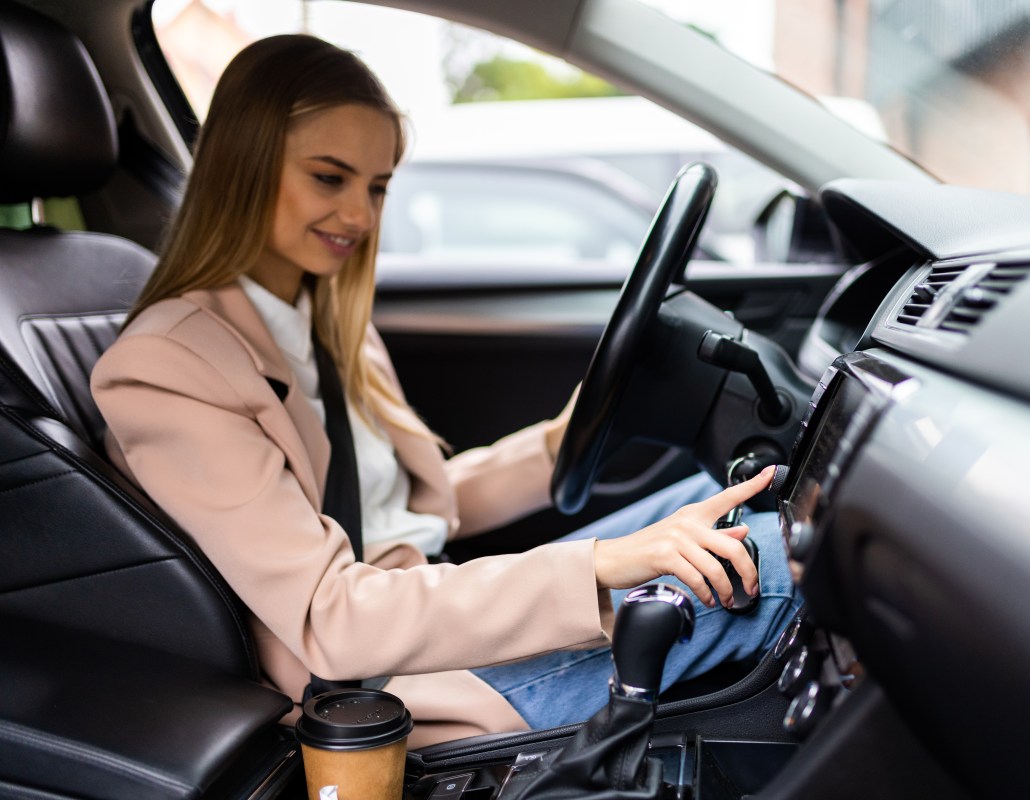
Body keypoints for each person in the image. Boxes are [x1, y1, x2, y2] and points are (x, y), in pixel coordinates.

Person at [91, 34, 798, 748]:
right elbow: (332, 616)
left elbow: (405, 508)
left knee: (722, 514)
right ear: (243, 167)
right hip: (379, 681)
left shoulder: (321, 319)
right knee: (781, 560)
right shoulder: (170, 365)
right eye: (330, 178)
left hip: (427, 611)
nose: (362, 219)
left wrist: (560, 440)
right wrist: (599, 566)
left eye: (377, 186)